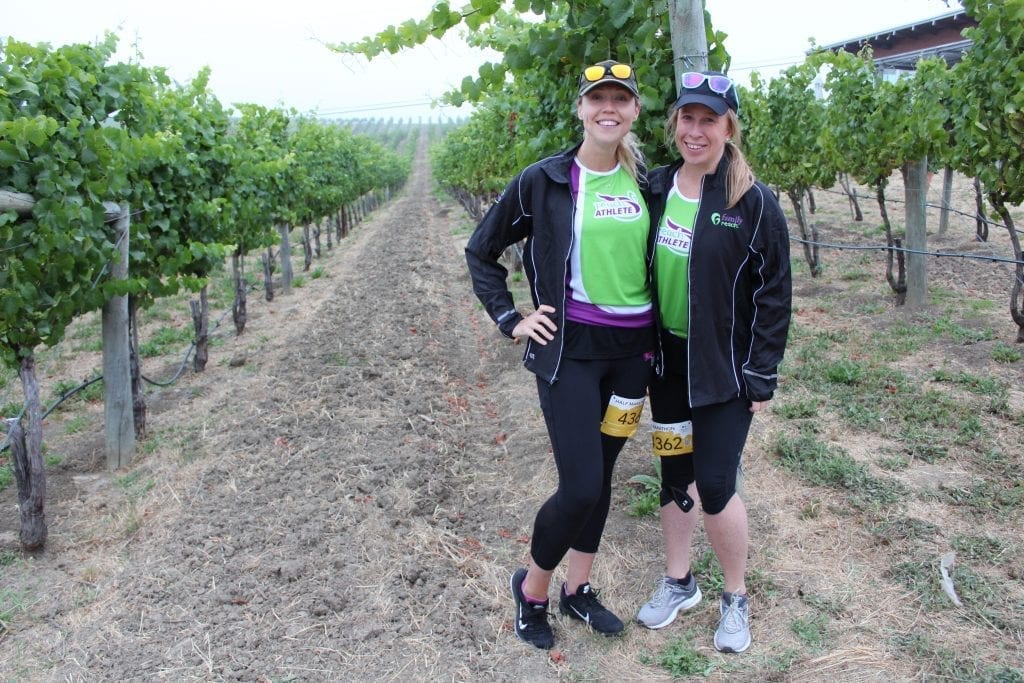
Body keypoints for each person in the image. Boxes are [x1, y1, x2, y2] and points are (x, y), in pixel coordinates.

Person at [464, 60, 654, 650]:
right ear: (581, 109)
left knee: (603, 477)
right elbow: (482, 251)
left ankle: (579, 589)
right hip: (569, 352)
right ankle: (534, 590)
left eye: (620, 100)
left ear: (634, 112)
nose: (609, 109)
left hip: (633, 357)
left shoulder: (650, 182)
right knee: (579, 485)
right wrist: (512, 318)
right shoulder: (543, 181)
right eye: (598, 99)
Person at [635, 71, 792, 654]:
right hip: (669, 365)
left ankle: (735, 596)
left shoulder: (750, 201)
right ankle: (679, 582)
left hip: (723, 371)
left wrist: (762, 371)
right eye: (687, 118)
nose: (695, 130)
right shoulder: (655, 189)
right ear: (675, 123)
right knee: (675, 473)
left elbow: (775, 291)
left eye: (709, 119)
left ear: (729, 126)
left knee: (718, 484)